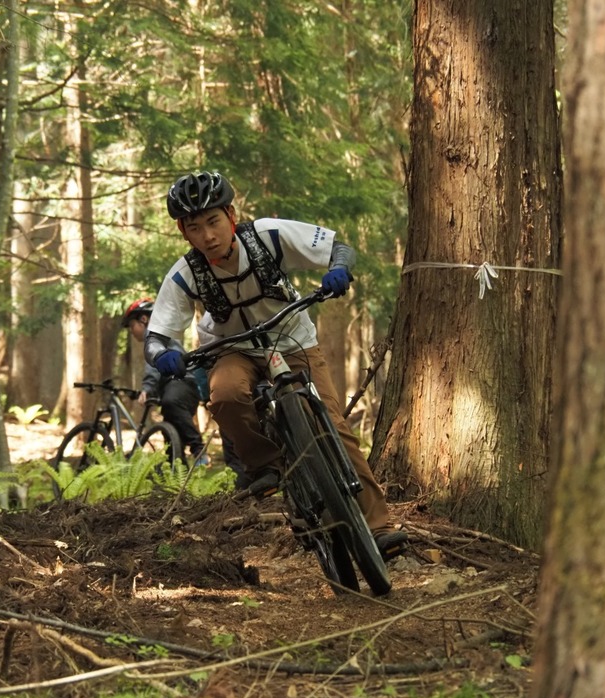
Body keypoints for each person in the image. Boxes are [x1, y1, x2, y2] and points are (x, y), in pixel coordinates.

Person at [144, 171, 407, 561]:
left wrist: (338, 269)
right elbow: (156, 336)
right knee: (226, 394)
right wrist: (165, 354)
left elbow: (338, 246)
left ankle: (380, 527)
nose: (208, 236)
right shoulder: (185, 274)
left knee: (331, 425)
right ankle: (267, 465)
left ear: (231, 215)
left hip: (292, 338)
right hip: (231, 348)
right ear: (185, 233)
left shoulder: (267, 236)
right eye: (195, 228)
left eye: (214, 221)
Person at [122, 298, 207, 465]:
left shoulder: (154, 337)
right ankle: (178, 480)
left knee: (169, 403)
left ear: (143, 320)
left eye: (132, 326)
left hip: (182, 384)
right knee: (171, 438)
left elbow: (154, 365)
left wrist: (147, 388)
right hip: (178, 387)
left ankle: (198, 448)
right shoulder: (161, 334)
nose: (132, 331)